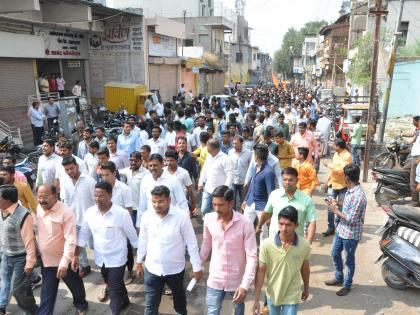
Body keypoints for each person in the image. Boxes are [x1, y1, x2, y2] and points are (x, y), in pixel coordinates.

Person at [136, 185, 202, 315]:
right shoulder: (147, 216)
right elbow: (142, 240)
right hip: (152, 269)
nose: (156, 205)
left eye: (160, 201)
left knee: (179, 303)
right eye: (154, 202)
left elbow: (192, 243)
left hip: (175, 270)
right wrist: (138, 262)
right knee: (150, 307)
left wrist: (197, 268)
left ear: (169, 200)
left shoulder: (181, 217)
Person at [75, 181, 138, 315]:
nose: (97, 199)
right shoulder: (90, 212)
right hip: (101, 258)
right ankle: (125, 300)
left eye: (101, 196)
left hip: (118, 259)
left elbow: (133, 238)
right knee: (113, 282)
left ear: (110, 195)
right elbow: (83, 235)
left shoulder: (122, 214)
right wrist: (75, 256)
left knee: (113, 289)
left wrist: (141, 260)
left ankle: (114, 311)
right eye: (95, 196)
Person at [200, 185, 258, 315]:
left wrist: (245, 285)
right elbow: (206, 244)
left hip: (237, 280)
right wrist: (199, 266)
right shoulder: (209, 219)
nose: (216, 209)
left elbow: (252, 256)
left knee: (238, 311)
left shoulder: (245, 223)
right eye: (214, 205)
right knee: (212, 312)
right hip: (215, 277)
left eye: (220, 205)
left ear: (231, 203)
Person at [36, 184, 88, 315]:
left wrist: (65, 263)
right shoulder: (39, 208)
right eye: (39, 196)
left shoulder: (66, 213)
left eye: (45, 196)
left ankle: (81, 304)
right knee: (46, 294)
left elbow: (71, 239)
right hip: (47, 261)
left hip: (64, 261)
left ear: (55, 195)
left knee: (75, 285)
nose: (42, 200)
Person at [253, 206, 311, 315]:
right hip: (272, 294)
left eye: (288, 225)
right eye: (281, 224)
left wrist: (306, 288)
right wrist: (256, 300)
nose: (284, 228)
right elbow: (261, 271)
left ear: (296, 225)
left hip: (292, 295)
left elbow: (305, 269)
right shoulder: (267, 245)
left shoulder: (304, 245)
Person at [324, 164, 367, 296]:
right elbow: (348, 206)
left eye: (343, 175)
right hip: (341, 229)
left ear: (347, 177)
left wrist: (334, 210)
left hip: (351, 234)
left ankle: (347, 285)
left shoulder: (359, 196)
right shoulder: (350, 190)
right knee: (335, 253)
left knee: (348, 260)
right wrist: (338, 204)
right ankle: (338, 278)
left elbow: (351, 219)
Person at [0, 185, 38, 315]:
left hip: (21, 258)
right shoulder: (1, 210)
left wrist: (30, 263)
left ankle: (34, 311)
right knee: (18, 287)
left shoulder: (23, 216)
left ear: (8, 200)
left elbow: (30, 241)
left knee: (17, 290)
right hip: (6, 255)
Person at [257, 167, 317, 244]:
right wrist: (259, 227)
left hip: (295, 244)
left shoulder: (306, 199)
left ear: (297, 180)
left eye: (290, 180)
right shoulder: (274, 195)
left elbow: (312, 222)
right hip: (274, 242)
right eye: (285, 180)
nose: (287, 182)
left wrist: (308, 243)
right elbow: (266, 213)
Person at [100, 161, 135, 285]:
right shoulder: (100, 189)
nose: (104, 178)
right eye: (102, 175)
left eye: (107, 175)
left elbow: (129, 210)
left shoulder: (124, 189)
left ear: (114, 173)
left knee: (126, 248)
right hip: (106, 226)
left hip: (121, 225)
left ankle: (130, 270)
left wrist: (124, 225)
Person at [60, 157, 96, 278]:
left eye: (71, 168)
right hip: (73, 220)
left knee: (93, 245)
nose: (70, 172)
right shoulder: (64, 181)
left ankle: (105, 264)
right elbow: (64, 201)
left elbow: (96, 202)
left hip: (89, 220)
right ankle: (85, 266)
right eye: (67, 170)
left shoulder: (89, 181)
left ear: (77, 166)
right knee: (77, 245)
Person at [136, 154, 188, 228]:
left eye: (155, 165)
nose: (152, 168)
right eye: (150, 166)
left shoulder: (173, 180)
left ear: (162, 164)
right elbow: (142, 204)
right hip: (151, 223)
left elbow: (182, 202)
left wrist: (186, 221)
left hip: (171, 222)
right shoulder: (145, 180)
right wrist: (139, 223)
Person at [243, 145, 275, 242]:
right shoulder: (254, 167)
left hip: (263, 207)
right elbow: (252, 185)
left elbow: (271, 193)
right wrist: (245, 200)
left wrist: (269, 213)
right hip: (250, 203)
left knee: (263, 232)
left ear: (256, 156)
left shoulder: (268, 172)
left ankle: (262, 254)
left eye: (254, 155)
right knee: (245, 227)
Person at [322, 139, 352, 237]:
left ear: (338, 146)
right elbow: (333, 171)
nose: (333, 147)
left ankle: (339, 226)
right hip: (333, 184)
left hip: (343, 185)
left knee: (341, 207)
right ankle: (331, 227)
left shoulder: (347, 156)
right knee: (330, 206)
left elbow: (341, 170)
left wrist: (328, 165)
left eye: (334, 145)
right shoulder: (336, 154)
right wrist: (327, 181)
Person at [198, 139, 234, 216]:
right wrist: (201, 183)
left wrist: (225, 189)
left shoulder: (225, 158)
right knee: (204, 210)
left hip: (220, 192)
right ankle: (207, 225)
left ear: (211, 147)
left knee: (218, 212)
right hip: (208, 189)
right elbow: (204, 170)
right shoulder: (208, 157)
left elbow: (230, 175)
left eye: (207, 146)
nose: (206, 147)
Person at [119, 151, 150, 228]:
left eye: (135, 161)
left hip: (140, 208)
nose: (133, 162)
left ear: (141, 161)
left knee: (138, 229)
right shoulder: (126, 170)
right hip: (128, 207)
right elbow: (115, 172)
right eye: (131, 160)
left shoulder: (146, 173)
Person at [164, 150, 197, 215]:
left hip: (181, 204)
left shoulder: (184, 173)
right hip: (166, 204)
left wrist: (193, 205)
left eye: (171, 161)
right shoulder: (163, 172)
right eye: (167, 161)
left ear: (177, 160)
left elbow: (190, 191)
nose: (169, 163)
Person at [228, 135, 253, 211]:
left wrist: (249, 181)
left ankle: (244, 217)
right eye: (233, 143)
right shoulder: (230, 152)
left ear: (242, 143)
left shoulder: (248, 153)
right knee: (232, 202)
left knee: (244, 201)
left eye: (236, 143)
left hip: (243, 182)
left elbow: (251, 168)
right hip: (232, 181)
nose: (234, 145)